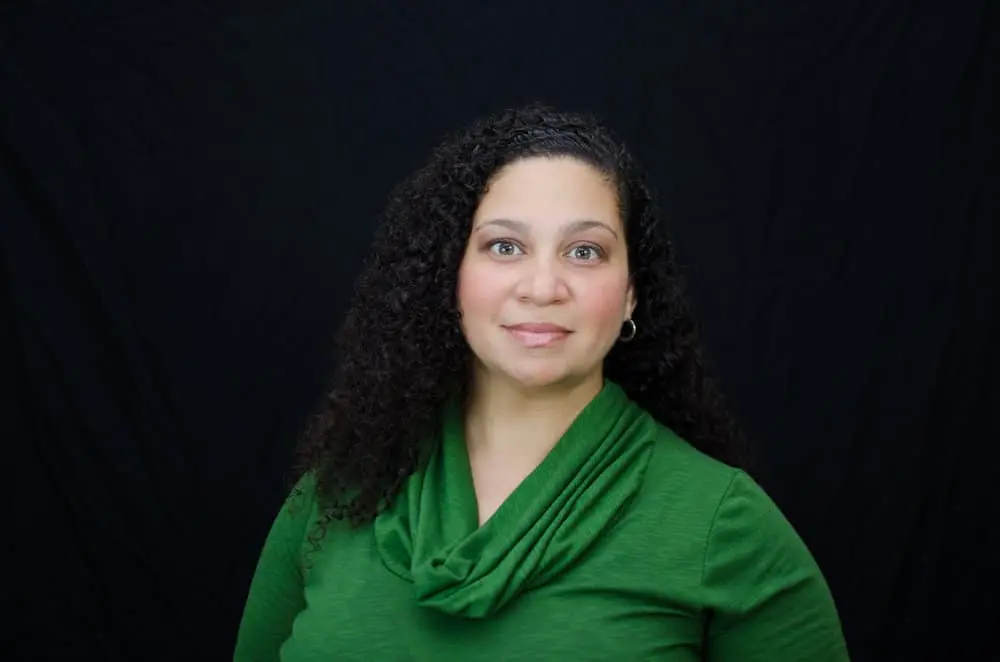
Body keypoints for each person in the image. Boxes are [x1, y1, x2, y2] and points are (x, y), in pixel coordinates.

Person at [233, 103, 849, 661]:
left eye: (584, 252)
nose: (542, 287)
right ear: (450, 277)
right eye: (505, 247)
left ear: (632, 293)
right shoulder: (336, 494)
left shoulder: (723, 522)